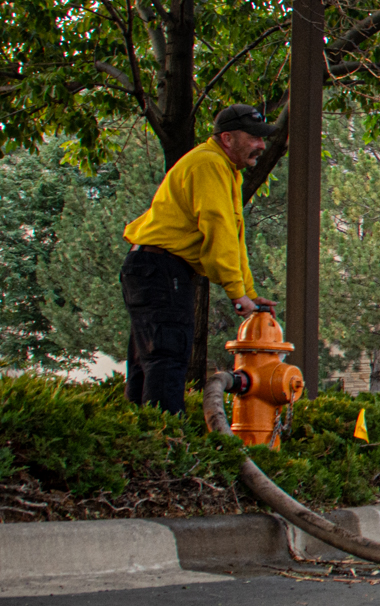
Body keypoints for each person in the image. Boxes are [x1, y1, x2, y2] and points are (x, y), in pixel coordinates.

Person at [119, 105, 278, 412]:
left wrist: (248, 293)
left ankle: (141, 443)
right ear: (228, 138)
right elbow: (217, 231)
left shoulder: (223, 168)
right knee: (167, 360)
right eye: (254, 137)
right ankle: (165, 447)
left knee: (150, 363)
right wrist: (237, 294)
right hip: (161, 269)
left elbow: (232, 239)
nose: (261, 145)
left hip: (152, 268)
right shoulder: (209, 165)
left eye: (263, 138)